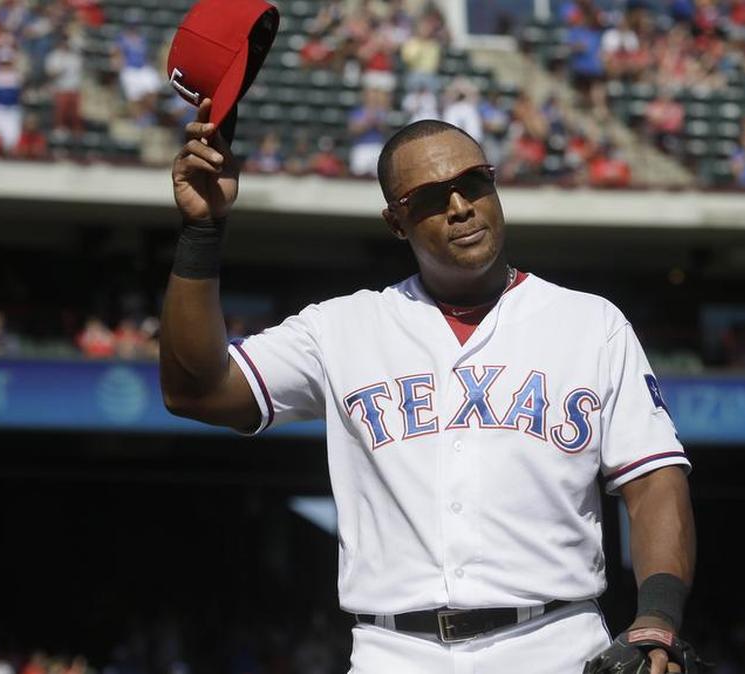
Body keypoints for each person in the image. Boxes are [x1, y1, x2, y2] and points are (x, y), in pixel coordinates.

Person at [162, 99, 696, 673]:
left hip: (556, 642)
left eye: (474, 184)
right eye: (433, 199)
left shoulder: (591, 324)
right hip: (395, 651)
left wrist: (657, 620)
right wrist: (202, 231)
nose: (461, 207)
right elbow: (198, 389)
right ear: (397, 221)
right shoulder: (341, 328)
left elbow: (654, 483)